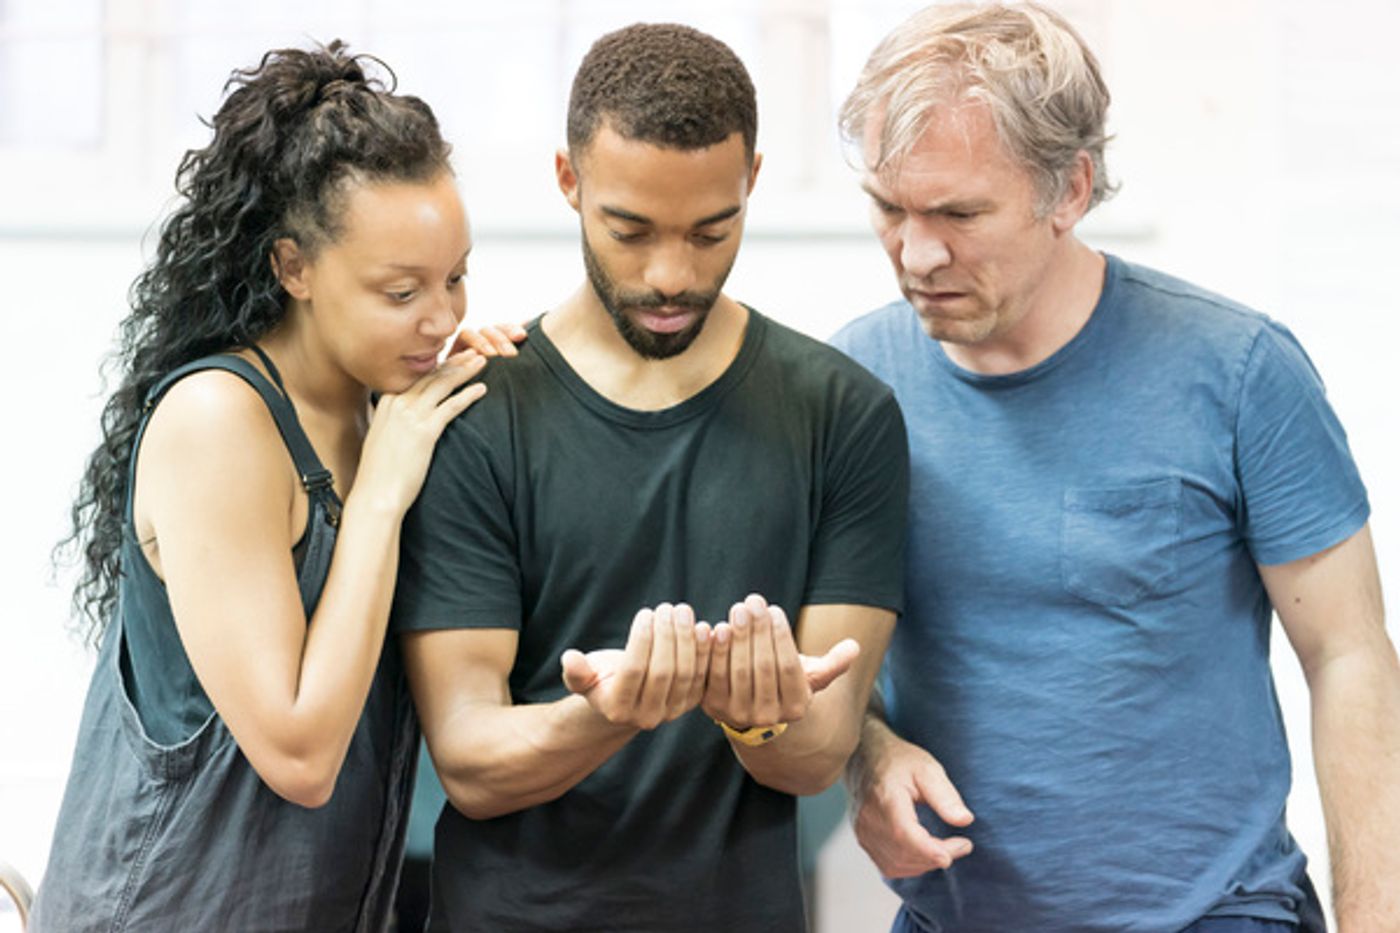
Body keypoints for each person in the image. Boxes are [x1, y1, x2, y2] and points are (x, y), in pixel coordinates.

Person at [829, 3, 1400, 931]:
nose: (917, 252)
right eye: (889, 209)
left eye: (959, 213)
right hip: (955, 916)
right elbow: (824, 664)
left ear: (1071, 189)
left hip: (1218, 912)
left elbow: (1348, 655)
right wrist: (869, 754)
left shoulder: (1241, 369)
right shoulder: (851, 386)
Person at [392, 22, 909, 933]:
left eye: (713, 231)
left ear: (752, 180)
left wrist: (752, 717)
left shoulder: (844, 416)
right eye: (629, 231)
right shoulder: (477, 415)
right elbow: (470, 761)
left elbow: (819, 754)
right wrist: (613, 715)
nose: (671, 275)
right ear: (569, 181)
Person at [32, 42, 487, 931]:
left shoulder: (385, 407)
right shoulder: (219, 421)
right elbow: (300, 749)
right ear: (293, 268)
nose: (441, 318)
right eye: (401, 292)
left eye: (457, 277)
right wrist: (384, 495)